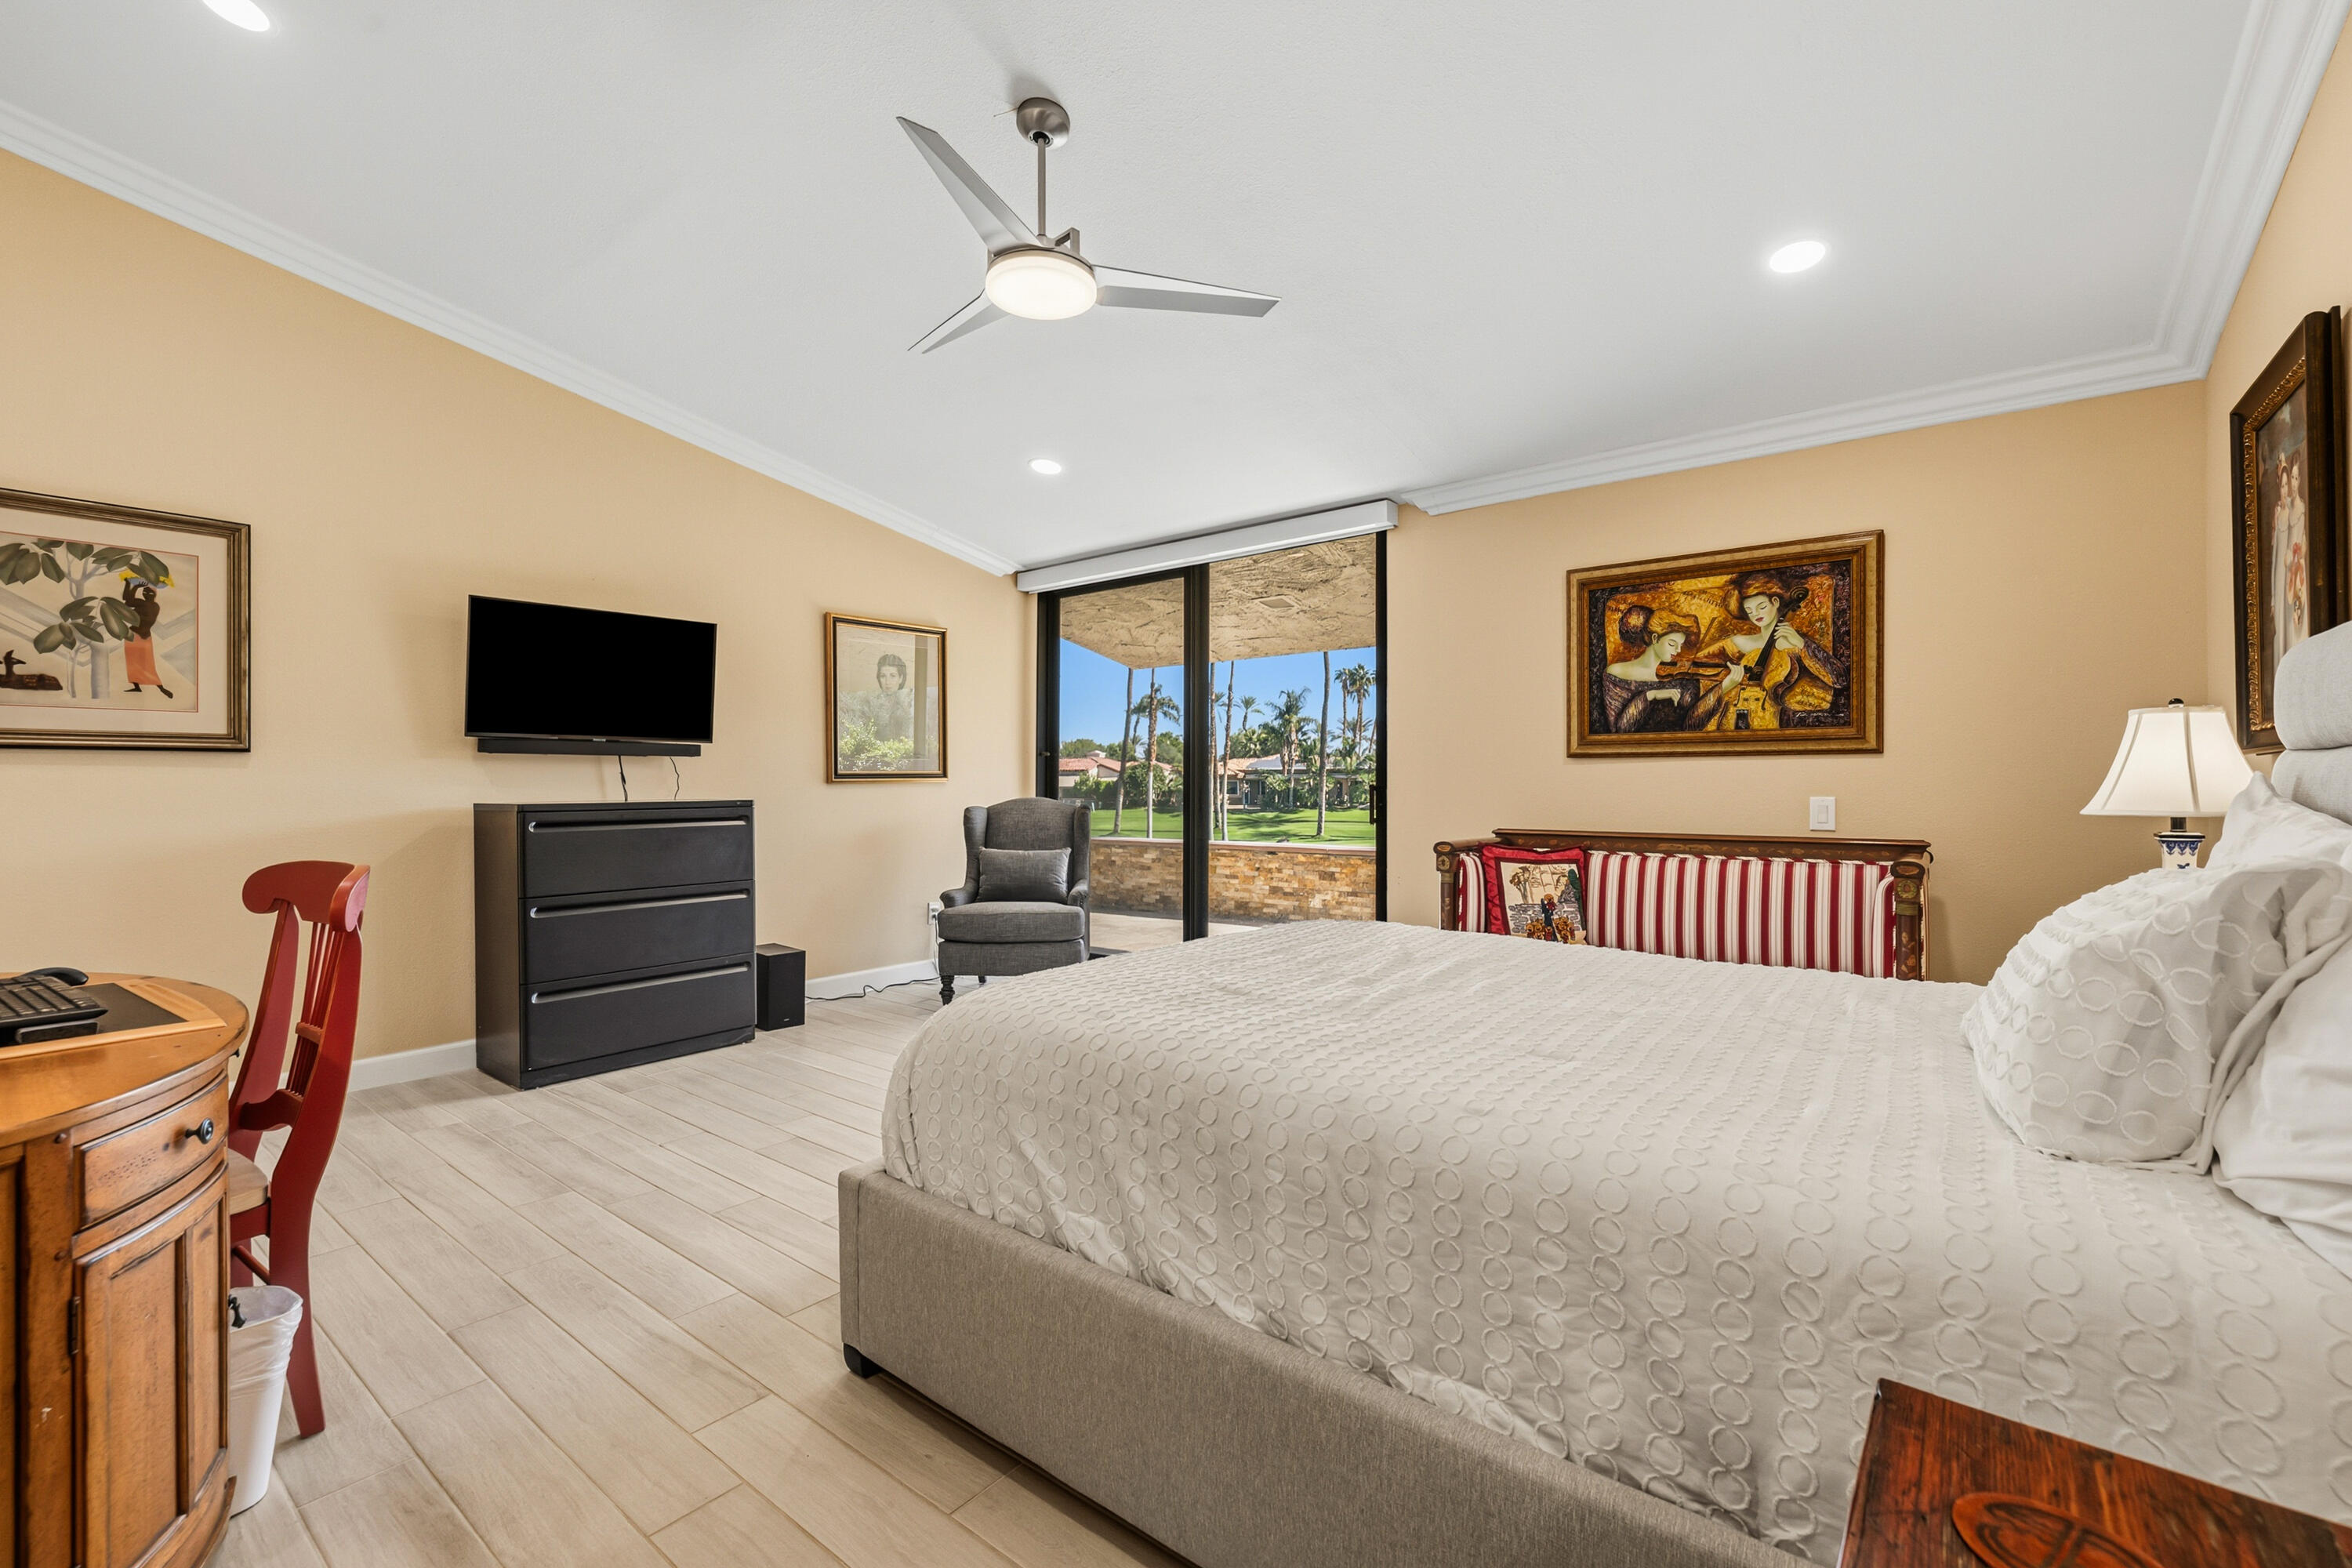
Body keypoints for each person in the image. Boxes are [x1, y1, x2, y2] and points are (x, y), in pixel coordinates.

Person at [1691, 573, 1842, 732]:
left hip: (1777, 716)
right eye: (1750, 610)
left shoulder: (1795, 642)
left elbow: (1838, 679)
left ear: (1775, 602)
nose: (1756, 614)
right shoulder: (1738, 642)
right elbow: (1696, 663)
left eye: (1761, 607)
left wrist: (1803, 643)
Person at [1601, 608, 1702, 731]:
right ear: (1655, 638)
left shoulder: (1665, 681)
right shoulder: (1616, 672)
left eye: (1680, 645)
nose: (1678, 650)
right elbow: (1620, 729)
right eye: (1672, 643)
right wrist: (1650, 695)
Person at [119, 578, 173, 699]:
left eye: (149, 593)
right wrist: (132, 585)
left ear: (154, 595)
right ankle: (139, 687)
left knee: (142, 663)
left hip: (136, 636)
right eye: (145, 592)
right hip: (141, 636)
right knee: (137, 662)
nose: (147, 594)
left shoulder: (147, 605)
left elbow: (127, 601)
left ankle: (160, 687)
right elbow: (127, 600)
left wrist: (133, 586)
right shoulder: (151, 605)